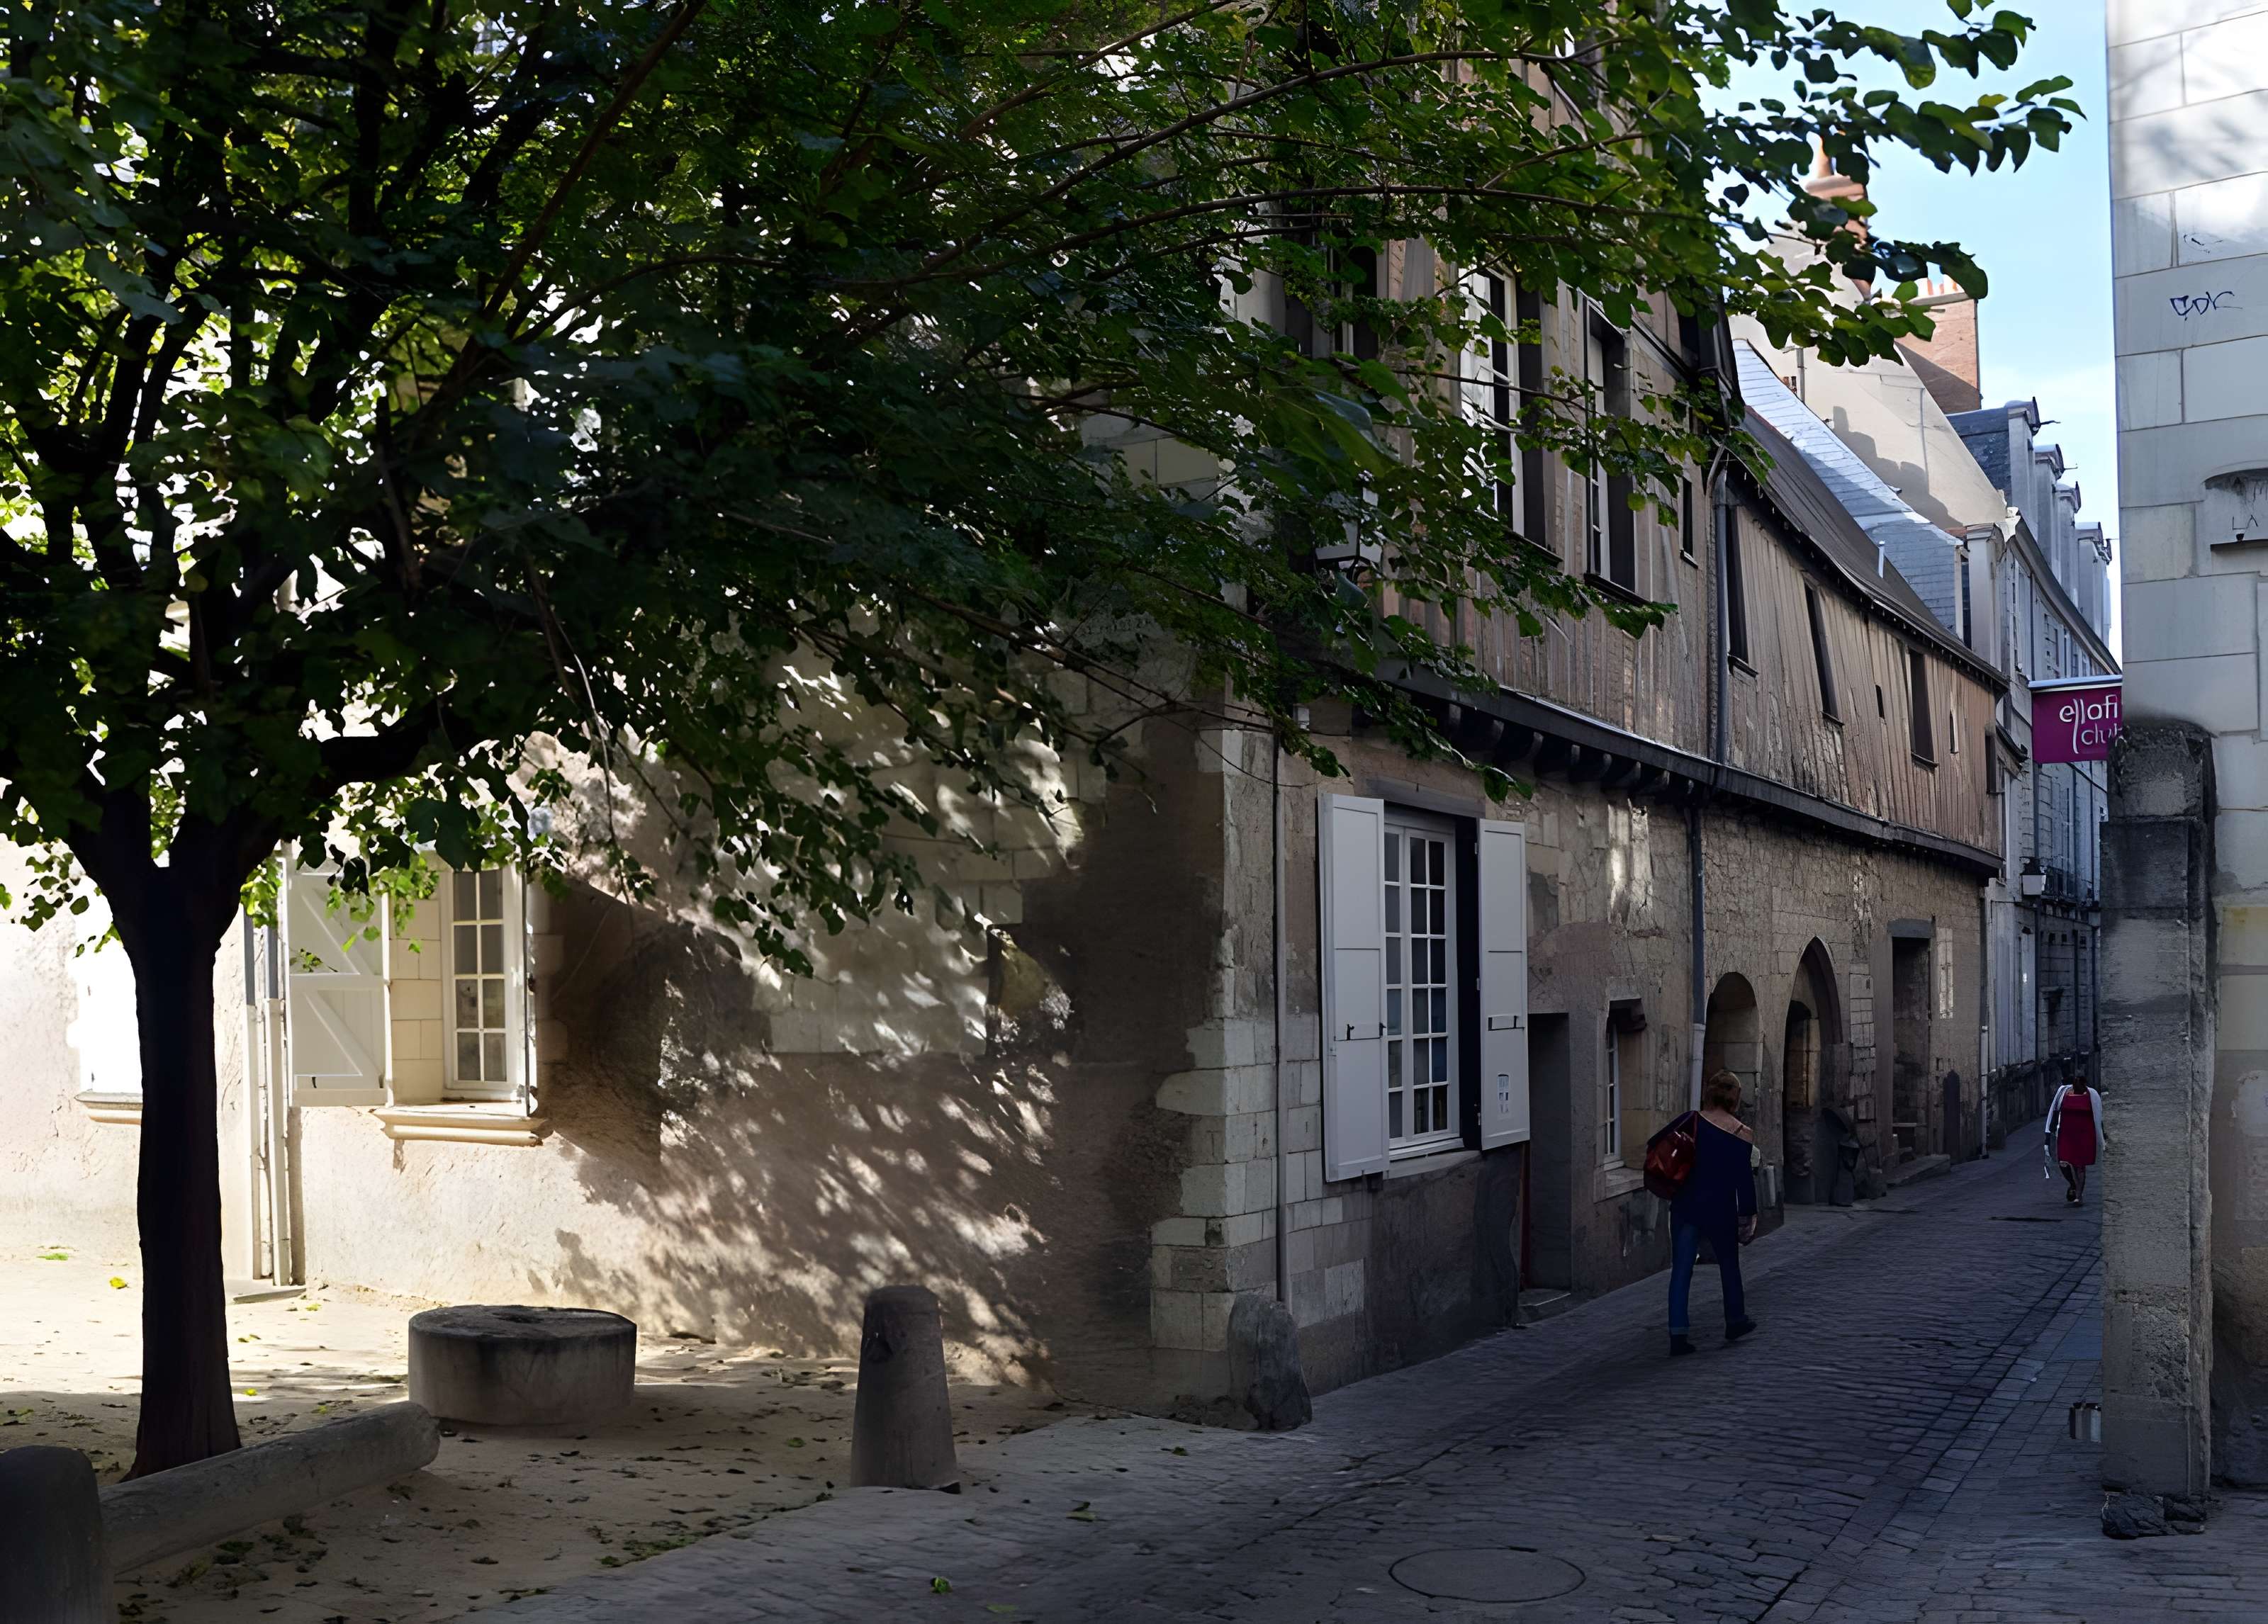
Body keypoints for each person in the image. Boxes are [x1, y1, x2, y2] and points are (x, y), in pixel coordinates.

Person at [1667, 1069, 1759, 1356]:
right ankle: (1735, 1320)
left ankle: (1677, 1334)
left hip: (1686, 1205)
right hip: (1720, 1209)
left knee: (1682, 1270)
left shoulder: (1689, 1121)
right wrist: (1748, 1216)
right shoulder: (1741, 1134)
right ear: (1735, 1098)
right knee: (1729, 1267)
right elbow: (1744, 1182)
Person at [2046, 1077, 2107, 1205]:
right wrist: (2051, 1129)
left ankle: (2079, 1196)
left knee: (2080, 1166)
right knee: (2063, 1163)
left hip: (2085, 1135)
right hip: (2066, 1135)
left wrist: (2102, 1134)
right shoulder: (2064, 1093)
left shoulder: (2092, 1095)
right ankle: (2073, 1185)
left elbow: (2098, 1115)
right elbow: (2056, 1110)